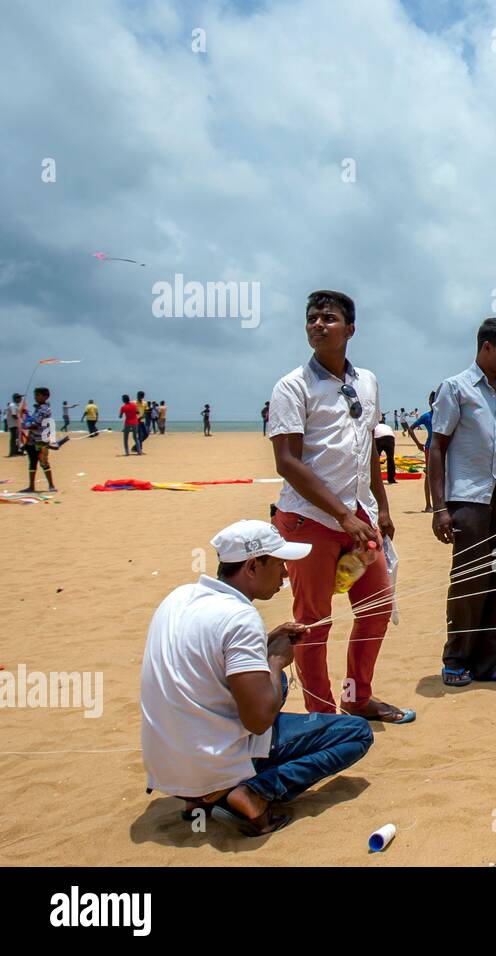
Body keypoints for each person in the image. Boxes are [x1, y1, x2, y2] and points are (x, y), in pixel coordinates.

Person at [140, 519, 374, 836]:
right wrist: (276, 660)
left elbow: (207, 658)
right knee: (357, 733)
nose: (285, 574)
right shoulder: (240, 617)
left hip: (167, 768)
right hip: (213, 764)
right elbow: (258, 721)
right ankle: (252, 792)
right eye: (278, 564)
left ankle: (199, 797)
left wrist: (266, 642)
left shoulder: (179, 597)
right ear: (252, 567)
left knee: (266, 683)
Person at [269, 289, 413, 724]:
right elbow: (287, 461)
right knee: (313, 623)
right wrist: (342, 516)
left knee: (376, 608)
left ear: (349, 329)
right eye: (312, 318)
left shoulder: (366, 381)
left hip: (359, 517)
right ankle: (321, 715)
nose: (317, 324)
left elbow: (367, 447)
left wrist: (380, 509)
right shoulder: (293, 386)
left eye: (328, 318)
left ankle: (356, 697)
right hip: (308, 520)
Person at [428, 317, 496, 687]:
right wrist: (440, 508)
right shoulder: (456, 388)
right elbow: (436, 448)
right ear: (486, 347)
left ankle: (488, 662)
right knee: (468, 580)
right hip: (469, 500)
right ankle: (456, 659)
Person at [19, 387, 57, 493]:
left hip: (41, 440)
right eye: (35, 395)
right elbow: (32, 420)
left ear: (45, 396)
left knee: (44, 462)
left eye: (38, 395)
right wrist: (25, 414)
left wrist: (25, 425)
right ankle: (31, 486)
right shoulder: (38, 408)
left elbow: (36, 424)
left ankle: (51, 485)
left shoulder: (44, 409)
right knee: (32, 462)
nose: (35, 397)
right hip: (32, 440)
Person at [409, 390, 438, 512]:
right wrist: (418, 444)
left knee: (443, 475)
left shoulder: (444, 415)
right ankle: (428, 505)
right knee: (429, 476)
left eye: (435, 400)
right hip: (430, 448)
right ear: (429, 402)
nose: (433, 403)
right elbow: (411, 429)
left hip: (442, 448)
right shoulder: (427, 416)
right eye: (431, 401)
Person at [373, 419, 397, 484]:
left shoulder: (375, 426)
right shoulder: (388, 426)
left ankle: (376, 479)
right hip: (390, 438)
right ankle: (391, 479)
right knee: (390, 459)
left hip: (378, 439)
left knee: (375, 460)